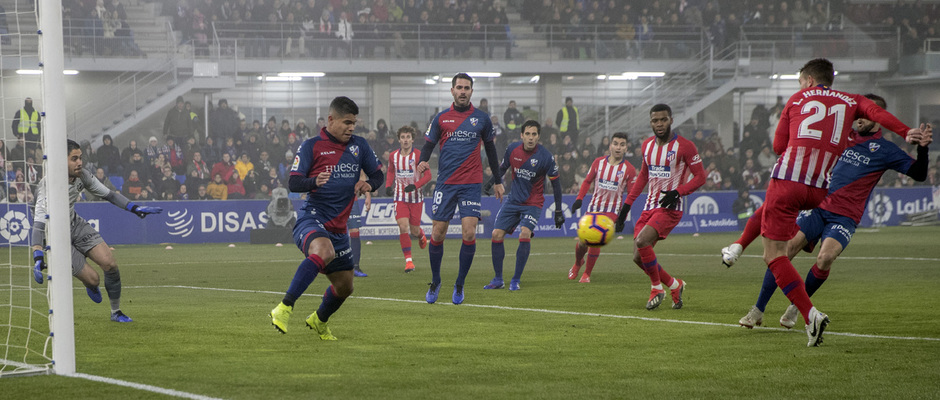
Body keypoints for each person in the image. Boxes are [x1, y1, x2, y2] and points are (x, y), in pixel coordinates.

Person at [746, 59, 922, 347]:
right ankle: (759, 309)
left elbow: (779, 146)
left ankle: (801, 308)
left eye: (802, 81)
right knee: (786, 250)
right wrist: (906, 131)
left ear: (809, 80)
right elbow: (871, 112)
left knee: (811, 257)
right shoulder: (846, 118)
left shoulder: (882, 148)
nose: (860, 119)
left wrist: (915, 143)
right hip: (818, 201)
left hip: (837, 210)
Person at [269, 96, 383, 340]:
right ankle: (284, 307)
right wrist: (313, 181)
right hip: (313, 218)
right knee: (324, 250)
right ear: (331, 120)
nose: (351, 128)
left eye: (354, 123)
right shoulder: (311, 146)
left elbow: (378, 175)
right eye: (346, 122)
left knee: (345, 286)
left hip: (339, 228)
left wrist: (369, 184)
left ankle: (319, 320)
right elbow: (293, 182)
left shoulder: (360, 146)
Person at [31, 140, 162, 322]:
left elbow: (110, 195)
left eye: (80, 158)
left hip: (75, 224)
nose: (80, 162)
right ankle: (90, 284)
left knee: (110, 264)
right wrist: (38, 257)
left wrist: (134, 208)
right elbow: (38, 226)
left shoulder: (83, 176)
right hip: (55, 235)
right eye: (74, 159)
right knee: (93, 279)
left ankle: (116, 312)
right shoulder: (47, 187)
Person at [415, 73, 504, 305]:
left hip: (471, 184)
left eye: (466, 88)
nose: (463, 91)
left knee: (469, 233)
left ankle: (460, 283)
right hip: (446, 183)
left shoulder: (482, 119)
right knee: (437, 233)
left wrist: (497, 180)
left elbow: (491, 151)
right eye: (459, 87)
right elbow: (428, 145)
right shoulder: (441, 118)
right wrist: (422, 161)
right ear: (452, 91)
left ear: (471, 91)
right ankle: (436, 280)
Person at [622, 104, 705, 311]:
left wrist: (678, 192)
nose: (659, 124)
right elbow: (643, 176)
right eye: (655, 120)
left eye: (663, 120)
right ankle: (674, 285)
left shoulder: (685, 146)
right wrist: (626, 207)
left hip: (670, 207)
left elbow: (701, 177)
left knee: (642, 241)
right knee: (637, 257)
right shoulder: (647, 145)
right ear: (651, 123)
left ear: (671, 120)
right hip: (649, 206)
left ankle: (656, 288)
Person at [483, 120, 564, 291]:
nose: (530, 138)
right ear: (522, 135)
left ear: (538, 136)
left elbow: (556, 184)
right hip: (513, 200)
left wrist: (558, 210)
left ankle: (515, 280)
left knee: (525, 233)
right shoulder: (513, 149)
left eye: (534, 134)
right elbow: (502, 168)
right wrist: (491, 182)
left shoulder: (546, 157)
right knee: (496, 234)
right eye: (527, 134)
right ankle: (498, 279)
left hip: (533, 203)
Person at [568, 132, 637, 283]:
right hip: (593, 208)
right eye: (616, 144)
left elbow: (631, 195)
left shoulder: (629, 169)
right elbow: (587, 181)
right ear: (610, 145)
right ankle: (578, 262)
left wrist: (622, 216)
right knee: (582, 242)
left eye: (622, 145)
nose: (618, 147)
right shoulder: (598, 162)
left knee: (596, 238)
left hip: (612, 211)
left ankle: (587, 274)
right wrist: (579, 199)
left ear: (626, 148)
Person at [385, 125, 431, 272]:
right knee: (403, 226)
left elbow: (428, 176)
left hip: (416, 198)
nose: (405, 140)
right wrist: (388, 185)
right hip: (400, 197)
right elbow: (391, 171)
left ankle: (421, 235)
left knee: (414, 231)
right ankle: (409, 261)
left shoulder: (419, 155)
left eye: (408, 137)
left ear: (412, 139)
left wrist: (415, 186)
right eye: (403, 137)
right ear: (399, 140)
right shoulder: (393, 156)